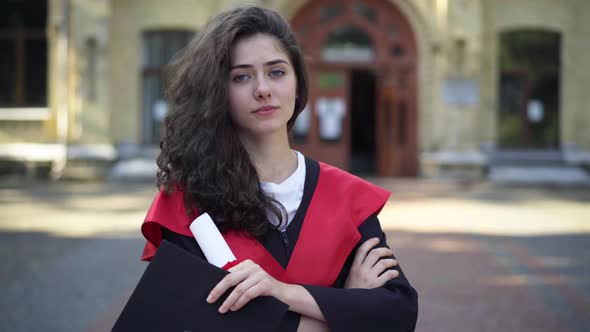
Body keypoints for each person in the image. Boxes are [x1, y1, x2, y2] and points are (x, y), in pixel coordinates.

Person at [140, 5, 418, 332]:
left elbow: (398, 314)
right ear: (218, 92)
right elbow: (199, 321)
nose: (263, 89)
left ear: (298, 84)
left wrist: (283, 292)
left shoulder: (347, 198)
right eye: (241, 76)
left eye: (276, 72)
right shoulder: (188, 204)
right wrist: (349, 306)